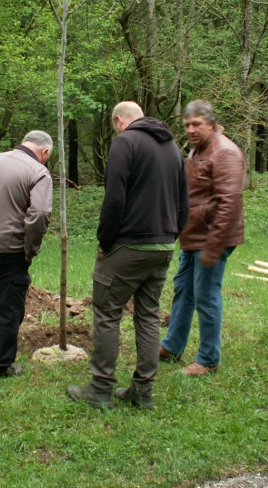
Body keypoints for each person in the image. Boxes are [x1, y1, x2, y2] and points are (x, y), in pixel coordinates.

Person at [66, 101, 188, 409]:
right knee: (147, 316)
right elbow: (184, 201)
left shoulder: (125, 142)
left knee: (107, 313)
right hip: (163, 246)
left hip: (128, 246)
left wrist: (105, 241)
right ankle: (142, 391)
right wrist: (172, 235)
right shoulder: (172, 147)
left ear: (120, 120)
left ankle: (100, 389)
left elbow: (114, 198)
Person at [160, 100, 245, 376]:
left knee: (206, 296)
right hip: (194, 235)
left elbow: (229, 202)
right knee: (183, 291)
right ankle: (172, 346)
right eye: (186, 125)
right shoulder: (199, 149)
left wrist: (214, 244)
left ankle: (209, 358)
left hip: (211, 238)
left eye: (196, 124)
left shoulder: (225, 152)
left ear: (211, 123)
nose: (190, 130)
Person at [0, 131, 54, 378]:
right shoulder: (38, 172)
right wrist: (30, 249)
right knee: (9, 308)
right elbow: (39, 215)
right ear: (45, 151)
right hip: (9, 249)